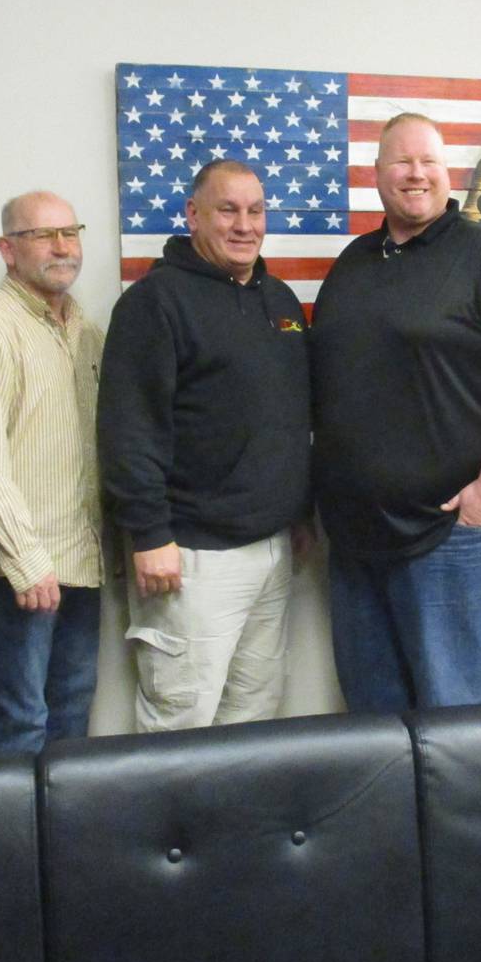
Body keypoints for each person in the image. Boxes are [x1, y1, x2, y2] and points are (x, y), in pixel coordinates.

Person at [309, 113, 481, 711]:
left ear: (446, 172)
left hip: (454, 537)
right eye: (401, 161)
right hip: (357, 541)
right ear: (376, 174)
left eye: (427, 161)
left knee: (461, 729)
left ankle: (465, 814)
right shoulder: (353, 266)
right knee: (377, 725)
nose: (416, 173)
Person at [99, 160, 312, 731]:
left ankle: (233, 826)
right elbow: (129, 427)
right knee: (181, 720)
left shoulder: (281, 301)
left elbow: (291, 419)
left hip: (272, 550)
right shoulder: (155, 303)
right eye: (228, 210)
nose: (245, 225)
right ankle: (169, 825)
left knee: (254, 716)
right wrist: (150, 534)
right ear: (193, 215)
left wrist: (298, 512)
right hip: (191, 557)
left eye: (256, 211)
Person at [0, 190, 105, 753]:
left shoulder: (84, 331)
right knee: (19, 724)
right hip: (17, 572)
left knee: (70, 724)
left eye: (71, 232)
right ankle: (10, 845)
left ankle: (60, 843)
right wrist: (27, 560)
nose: (62, 247)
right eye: (43, 235)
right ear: (8, 250)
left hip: (79, 563)